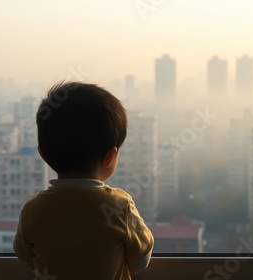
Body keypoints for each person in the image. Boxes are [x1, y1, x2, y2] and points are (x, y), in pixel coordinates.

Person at [13, 81, 154, 280]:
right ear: (109, 157)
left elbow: (26, 260)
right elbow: (140, 262)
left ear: (43, 155)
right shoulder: (119, 206)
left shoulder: (33, 209)